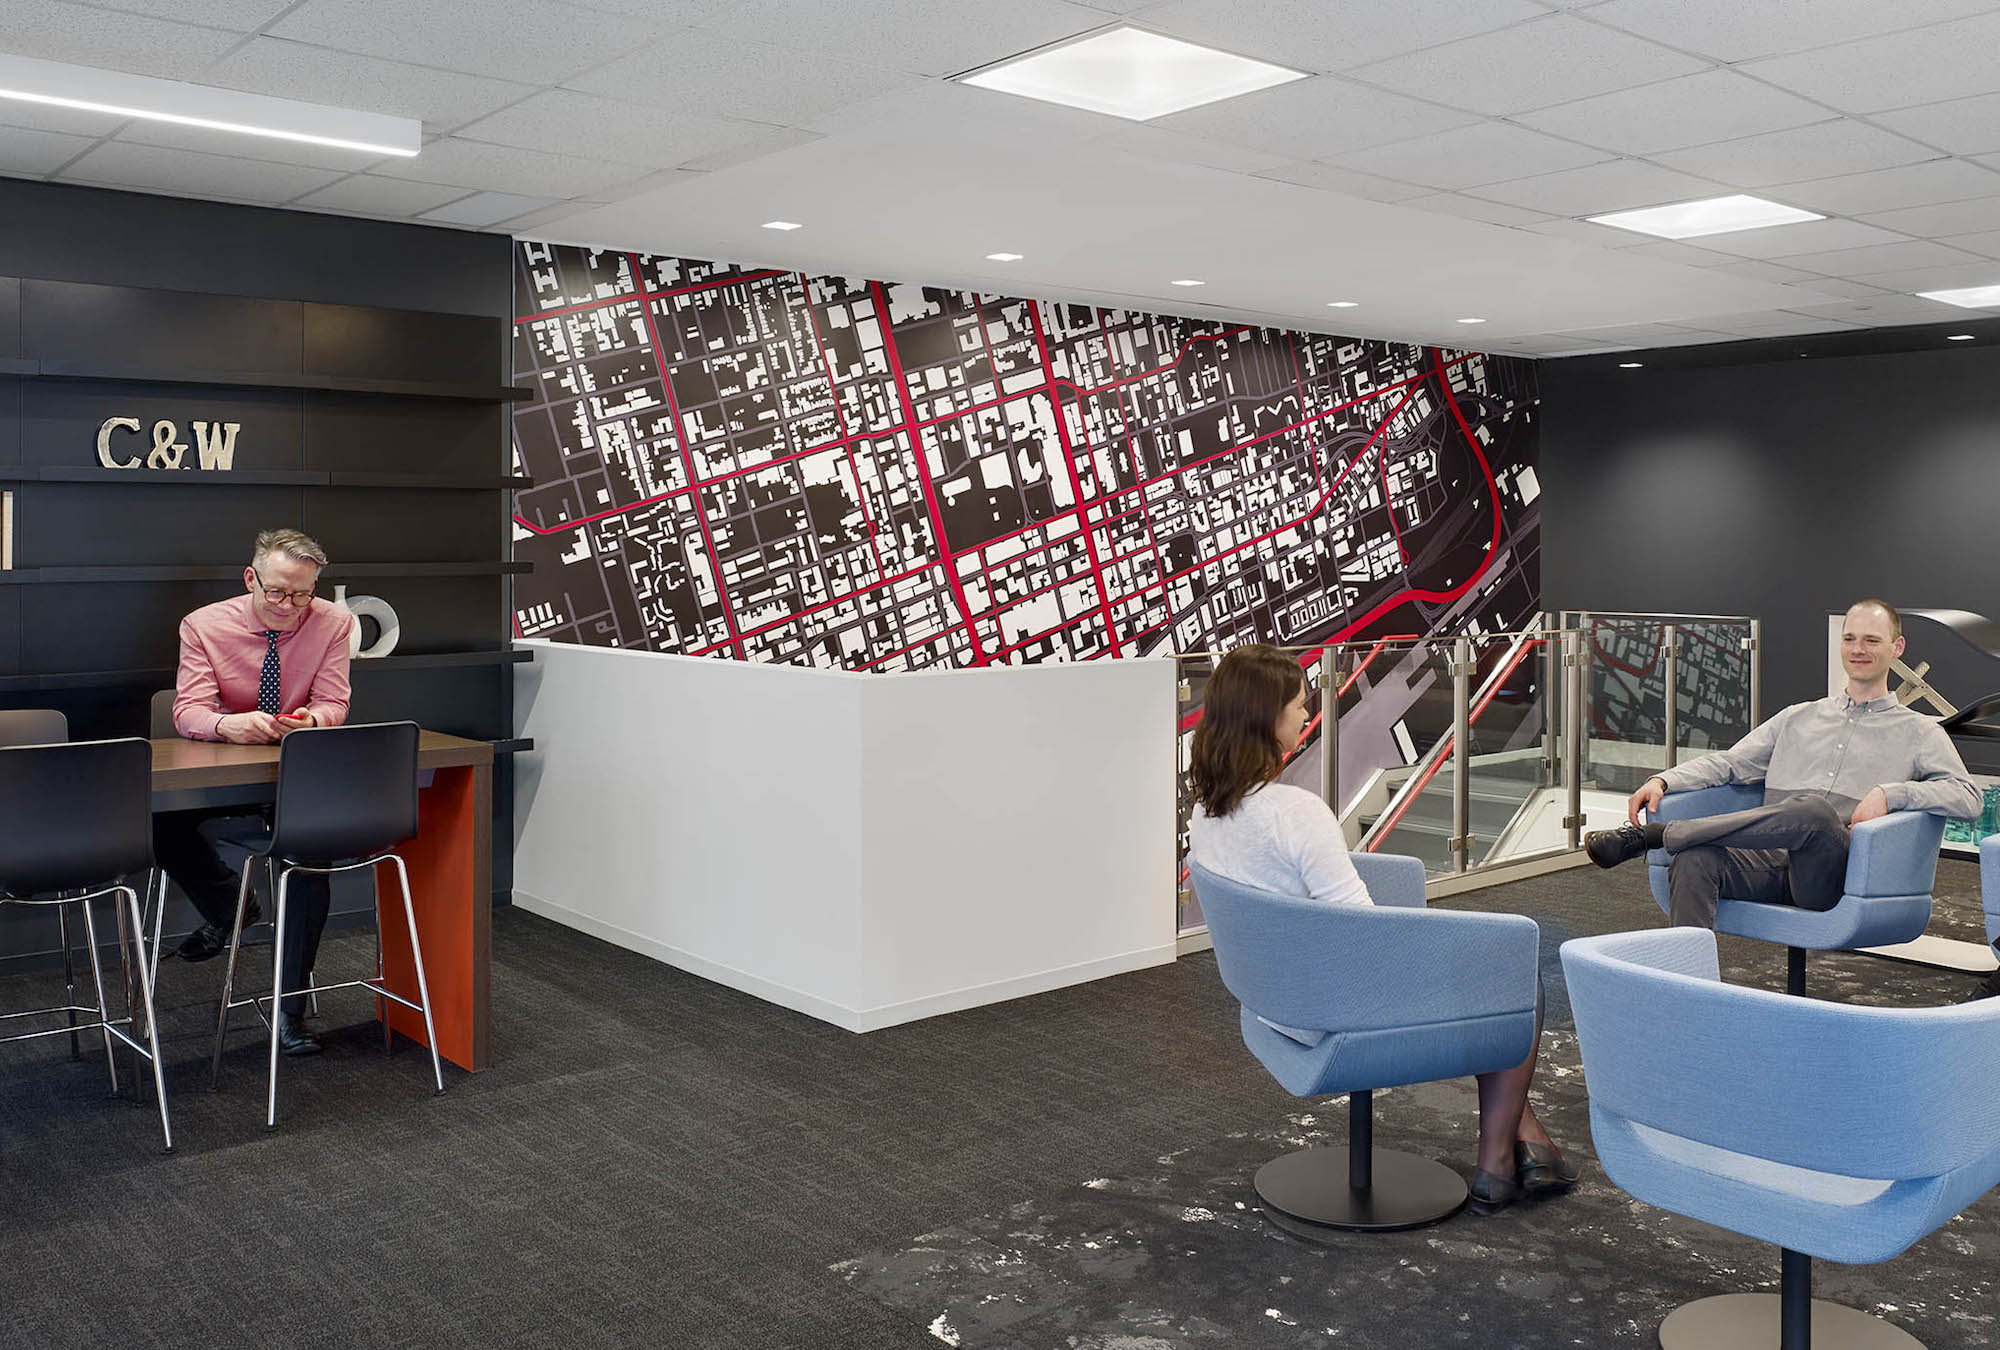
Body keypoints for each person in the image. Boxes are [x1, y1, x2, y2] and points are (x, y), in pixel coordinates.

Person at [1187, 643, 1575, 1214]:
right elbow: (1366, 930)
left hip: (1275, 996)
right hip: (1339, 1007)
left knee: (1489, 975)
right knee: (1515, 976)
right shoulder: (1295, 812)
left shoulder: (1208, 812)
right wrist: (1441, 949)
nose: (1307, 713)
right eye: (1298, 704)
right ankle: (1496, 1162)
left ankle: (1528, 1138)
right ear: (1266, 718)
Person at [1585, 599, 1978, 930]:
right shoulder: (1797, 717)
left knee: (1813, 812)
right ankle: (1685, 984)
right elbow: (1731, 763)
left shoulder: (1919, 731)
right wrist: (1664, 781)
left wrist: (1891, 794)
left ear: (1897, 647)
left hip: (1835, 874)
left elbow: (1968, 797)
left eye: (1872, 640)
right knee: (1693, 860)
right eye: (1850, 639)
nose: (1858, 649)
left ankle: (1656, 836)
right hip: (1768, 861)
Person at [157, 528, 354, 1056]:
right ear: (251, 578)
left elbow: (335, 701)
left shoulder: (334, 623)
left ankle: (290, 1010)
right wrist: (228, 725)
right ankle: (232, 908)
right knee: (157, 822)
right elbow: (188, 710)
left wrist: (314, 719)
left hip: (293, 773)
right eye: (277, 592)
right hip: (221, 774)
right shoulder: (203, 625)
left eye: (302, 595)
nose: (288, 606)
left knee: (309, 856)